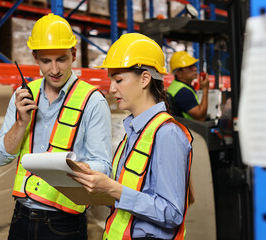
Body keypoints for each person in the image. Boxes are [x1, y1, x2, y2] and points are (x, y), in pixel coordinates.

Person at [0, 13, 112, 240]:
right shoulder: (23, 96)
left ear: (74, 54)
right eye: (46, 61)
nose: (54, 69)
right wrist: (21, 123)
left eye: (62, 59)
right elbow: (0, 157)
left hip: (64, 223)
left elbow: (104, 166)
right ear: (35, 58)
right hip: (21, 217)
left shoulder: (92, 101)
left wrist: (65, 168)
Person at [69, 33, 193, 240]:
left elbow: (172, 213)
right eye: (111, 80)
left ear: (145, 79)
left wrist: (113, 189)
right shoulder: (135, 133)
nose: (111, 88)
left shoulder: (167, 134)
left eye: (119, 80)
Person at [167, 51, 209, 121]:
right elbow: (201, 117)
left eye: (194, 65)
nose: (195, 69)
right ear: (178, 72)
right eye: (189, 67)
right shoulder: (183, 91)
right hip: (191, 129)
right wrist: (205, 89)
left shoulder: (175, 86)